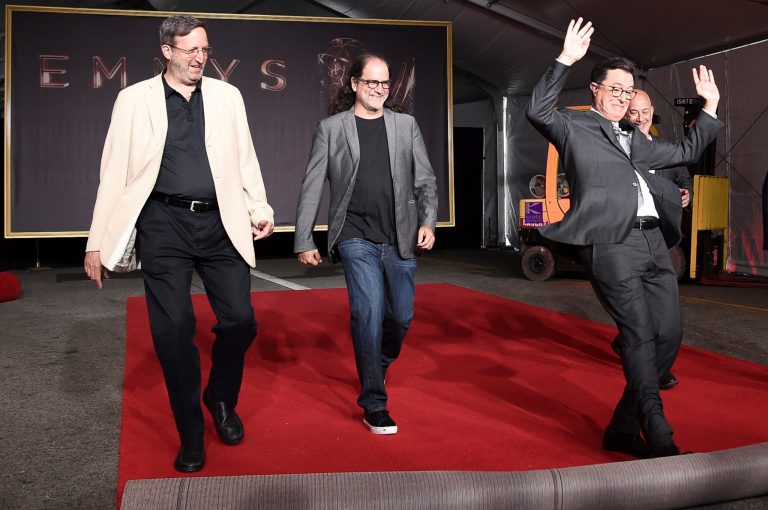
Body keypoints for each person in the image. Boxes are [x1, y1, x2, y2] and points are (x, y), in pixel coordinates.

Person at [83, 15, 274, 473]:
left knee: (241, 321)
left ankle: (220, 398)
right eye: (190, 50)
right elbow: (113, 174)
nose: (199, 58)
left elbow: (246, 159)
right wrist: (96, 242)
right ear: (167, 51)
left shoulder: (228, 96)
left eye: (205, 50)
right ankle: (191, 434)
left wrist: (259, 207)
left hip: (220, 223)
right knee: (172, 334)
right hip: (163, 225)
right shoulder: (134, 100)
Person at [526, 18, 722, 458]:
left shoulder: (638, 139)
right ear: (595, 89)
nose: (622, 97)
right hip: (611, 244)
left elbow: (689, 151)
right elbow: (537, 111)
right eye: (614, 89)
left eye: (627, 91)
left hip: (657, 243)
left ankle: (621, 428)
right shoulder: (573, 128)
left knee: (668, 336)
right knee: (637, 333)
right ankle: (657, 428)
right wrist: (564, 60)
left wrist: (708, 108)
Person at [294, 53, 438, 435]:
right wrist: (303, 236)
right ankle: (374, 402)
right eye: (371, 82)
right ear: (355, 84)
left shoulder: (405, 125)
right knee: (368, 314)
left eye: (384, 83)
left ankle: (379, 363)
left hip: (400, 237)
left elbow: (425, 179)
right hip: (354, 235)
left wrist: (428, 221)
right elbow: (313, 183)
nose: (378, 89)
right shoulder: (331, 128)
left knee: (401, 318)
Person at [625, 89, 695, 390]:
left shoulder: (668, 150)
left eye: (645, 112)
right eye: (633, 113)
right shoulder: (618, 151)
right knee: (637, 310)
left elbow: (683, 179)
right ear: (624, 114)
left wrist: (686, 193)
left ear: (652, 111)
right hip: (625, 240)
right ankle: (648, 367)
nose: (641, 119)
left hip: (659, 238)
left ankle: (657, 364)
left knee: (666, 318)